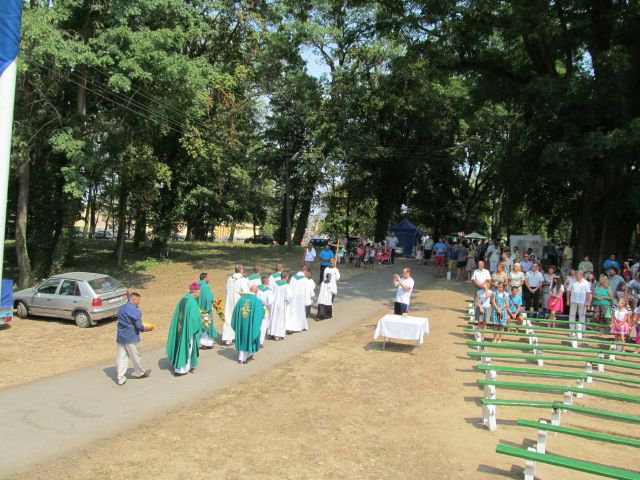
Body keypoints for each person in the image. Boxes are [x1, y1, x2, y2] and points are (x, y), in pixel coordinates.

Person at [166, 283, 202, 376]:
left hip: (180, 327)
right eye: (199, 292)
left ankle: (178, 366)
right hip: (188, 330)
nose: (199, 294)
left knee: (180, 345)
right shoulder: (192, 302)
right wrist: (201, 319)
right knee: (187, 347)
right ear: (195, 291)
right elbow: (194, 319)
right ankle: (182, 369)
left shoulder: (183, 299)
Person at [115, 292, 151, 386]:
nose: (139, 302)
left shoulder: (121, 308)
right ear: (134, 300)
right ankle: (140, 372)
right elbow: (138, 325)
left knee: (121, 357)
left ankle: (120, 378)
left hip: (121, 336)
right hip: (131, 336)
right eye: (138, 300)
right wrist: (145, 328)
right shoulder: (135, 311)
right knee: (135, 356)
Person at [231, 284, 265, 364]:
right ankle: (242, 359)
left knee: (244, 336)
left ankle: (249, 355)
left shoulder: (241, 299)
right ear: (256, 291)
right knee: (249, 336)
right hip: (250, 324)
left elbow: (235, 311)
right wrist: (263, 310)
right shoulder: (256, 301)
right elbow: (260, 313)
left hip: (241, 323)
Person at [222, 264, 249, 345]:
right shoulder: (242, 279)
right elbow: (245, 292)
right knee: (239, 317)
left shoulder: (230, 278)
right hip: (238, 300)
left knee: (229, 316)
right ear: (241, 270)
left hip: (230, 300)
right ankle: (239, 337)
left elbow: (227, 289)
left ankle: (228, 338)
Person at [568, 270, 591, 339]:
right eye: (575, 275)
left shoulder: (586, 283)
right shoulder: (572, 281)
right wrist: (568, 300)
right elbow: (568, 291)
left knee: (582, 315)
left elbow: (588, 293)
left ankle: (582, 330)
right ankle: (572, 330)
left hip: (582, 301)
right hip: (573, 300)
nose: (576, 277)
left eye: (577, 275)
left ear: (581, 275)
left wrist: (587, 302)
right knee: (572, 315)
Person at [198, 272, 218, 349]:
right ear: (205, 278)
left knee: (201, 325)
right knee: (207, 325)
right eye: (208, 277)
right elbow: (209, 298)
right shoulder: (205, 286)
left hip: (198, 309)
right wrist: (213, 302)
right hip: (206, 309)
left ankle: (200, 342)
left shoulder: (197, 285)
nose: (208, 279)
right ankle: (206, 343)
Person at [269, 271, 292, 340]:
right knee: (280, 319)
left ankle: (272, 332)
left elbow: (271, 291)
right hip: (281, 304)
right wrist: (287, 302)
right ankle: (277, 334)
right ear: (286, 277)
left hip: (274, 303)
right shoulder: (286, 286)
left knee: (273, 317)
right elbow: (289, 296)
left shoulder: (275, 283)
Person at [287, 269, 309, 333]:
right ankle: (297, 327)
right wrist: (307, 300)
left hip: (293, 298)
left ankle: (296, 326)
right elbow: (307, 290)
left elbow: (289, 287)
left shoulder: (293, 278)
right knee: (300, 312)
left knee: (293, 312)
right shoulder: (305, 280)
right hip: (300, 298)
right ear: (304, 271)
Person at [256, 275, 273, 347]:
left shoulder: (256, 288)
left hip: (256, 307)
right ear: (266, 282)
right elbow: (270, 302)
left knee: (256, 323)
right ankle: (260, 342)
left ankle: (255, 339)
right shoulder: (269, 291)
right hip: (264, 308)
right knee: (263, 325)